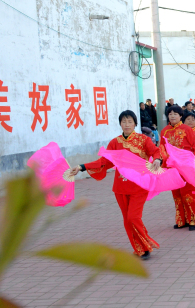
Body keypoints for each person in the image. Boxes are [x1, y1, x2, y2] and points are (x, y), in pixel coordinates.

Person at [69, 111, 162, 260]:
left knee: (133, 217)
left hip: (139, 185)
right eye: (124, 122)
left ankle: (145, 245)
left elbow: (156, 151)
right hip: (120, 187)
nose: (127, 125)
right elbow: (104, 162)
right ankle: (140, 248)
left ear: (135, 124)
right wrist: (82, 166)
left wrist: (157, 160)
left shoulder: (143, 140)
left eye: (130, 122)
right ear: (120, 124)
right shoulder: (115, 142)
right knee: (127, 220)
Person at [160, 106, 195, 231]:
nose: (172, 116)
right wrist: (161, 160)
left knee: (187, 194)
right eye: (170, 114)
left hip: (187, 166)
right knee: (176, 195)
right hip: (172, 167)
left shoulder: (187, 129)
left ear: (180, 116)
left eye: (175, 114)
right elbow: (161, 148)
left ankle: (193, 220)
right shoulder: (164, 131)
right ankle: (181, 220)